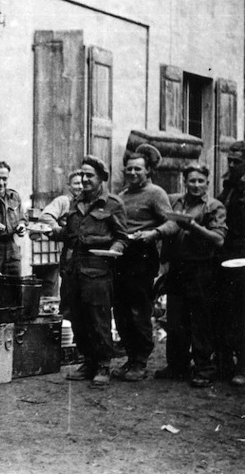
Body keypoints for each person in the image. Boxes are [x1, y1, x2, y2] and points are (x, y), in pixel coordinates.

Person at [50, 155, 128, 386]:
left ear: (102, 178)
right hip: (73, 269)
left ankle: (103, 364)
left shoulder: (113, 204)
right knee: (76, 317)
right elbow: (71, 234)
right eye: (82, 174)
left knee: (98, 318)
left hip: (97, 269)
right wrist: (54, 232)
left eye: (89, 175)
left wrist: (114, 249)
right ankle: (88, 362)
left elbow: (122, 237)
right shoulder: (75, 202)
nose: (84, 179)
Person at [156, 164, 226, 387]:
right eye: (191, 181)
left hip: (201, 269)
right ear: (184, 181)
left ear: (207, 182)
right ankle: (177, 366)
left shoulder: (214, 207)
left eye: (200, 181)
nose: (196, 185)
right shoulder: (175, 201)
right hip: (177, 268)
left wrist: (192, 225)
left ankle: (204, 368)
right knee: (176, 318)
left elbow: (218, 239)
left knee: (200, 319)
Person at [112, 144, 176, 382]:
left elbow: (173, 223)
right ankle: (130, 357)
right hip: (120, 258)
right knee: (120, 310)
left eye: (138, 169)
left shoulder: (156, 193)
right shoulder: (121, 196)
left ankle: (140, 361)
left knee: (138, 310)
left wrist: (154, 233)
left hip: (142, 257)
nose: (132, 173)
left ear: (148, 171)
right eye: (129, 169)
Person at [216, 141, 245, 386]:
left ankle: (242, 367)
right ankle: (225, 364)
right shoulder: (229, 186)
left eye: (238, 161)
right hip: (226, 255)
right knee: (226, 310)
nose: (232, 165)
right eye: (230, 161)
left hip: (243, 254)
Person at [37, 169, 84, 305]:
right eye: (76, 183)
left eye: (82, 183)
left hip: (87, 252)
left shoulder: (89, 202)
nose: (80, 187)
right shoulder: (64, 201)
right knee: (69, 289)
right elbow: (45, 217)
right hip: (70, 251)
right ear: (68, 186)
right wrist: (60, 231)